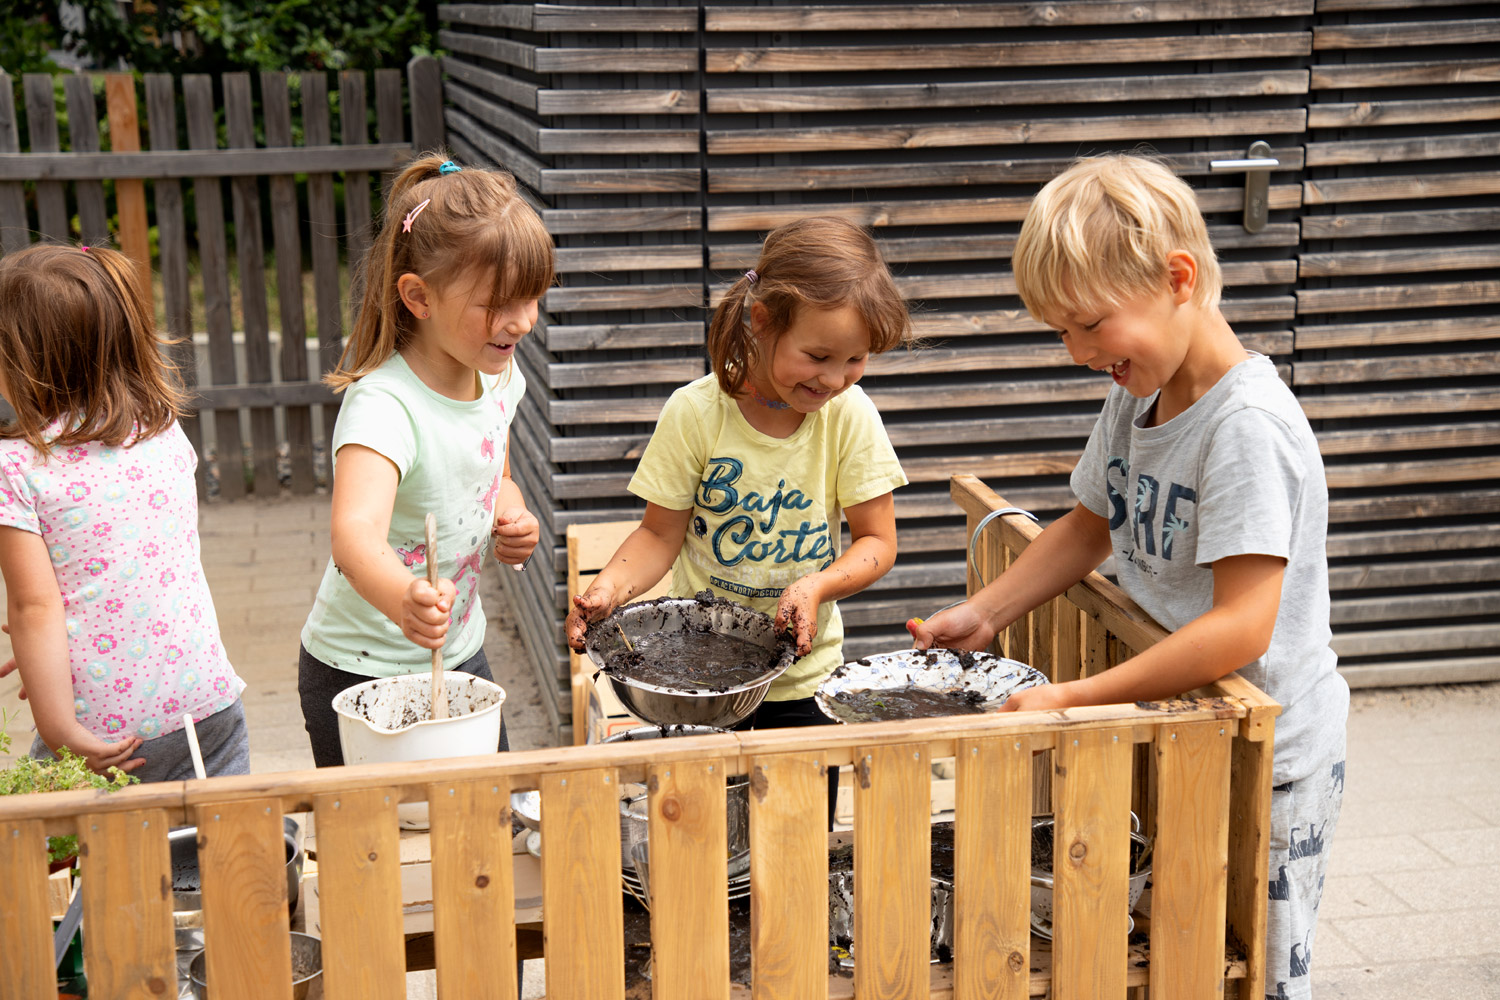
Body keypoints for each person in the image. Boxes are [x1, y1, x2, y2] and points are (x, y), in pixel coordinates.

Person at [909, 154, 1348, 999]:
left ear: (1177, 279)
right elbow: (1091, 522)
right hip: (1183, 731)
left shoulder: (1246, 427)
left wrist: (1073, 698)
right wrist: (986, 611)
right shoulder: (1137, 395)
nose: (1076, 352)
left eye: (1090, 325)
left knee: (1251, 965)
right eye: (1059, 333)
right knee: (1176, 949)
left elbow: (1241, 628)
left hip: (1267, 756)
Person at [565, 216, 910, 823]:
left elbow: (877, 541)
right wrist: (609, 588)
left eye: (856, 359)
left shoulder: (849, 417)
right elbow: (657, 534)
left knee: (798, 850)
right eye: (818, 355)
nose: (835, 379)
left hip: (804, 681)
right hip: (703, 683)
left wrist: (818, 585)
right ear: (762, 321)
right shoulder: (696, 414)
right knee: (702, 842)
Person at [298, 153, 551, 767]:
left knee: (486, 821)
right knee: (377, 848)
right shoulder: (385, 406)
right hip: (357, 672)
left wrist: (510, 518)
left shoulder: (496, 375)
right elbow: (354, 535)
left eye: (533, 298)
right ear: (419, 297)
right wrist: (403, 597)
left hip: (460, 650)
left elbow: (498, 475)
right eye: (498, 303)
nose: (522, 322)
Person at [0, 244, 249, 781]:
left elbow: (33, 610)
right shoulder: (161, 428)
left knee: (62, 853)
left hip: (101, 728)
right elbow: (132, 566)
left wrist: (59, 727)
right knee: (217, 852)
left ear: (24, 360)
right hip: (207, 703)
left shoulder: (16, 465)